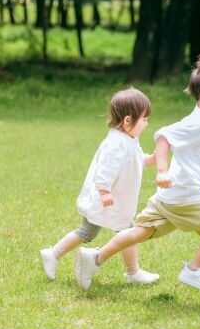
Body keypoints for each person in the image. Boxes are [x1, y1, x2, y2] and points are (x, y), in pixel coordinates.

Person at [75, 54, 200, 291]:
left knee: (141, 232)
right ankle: (194, 270)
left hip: (168, 197)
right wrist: (161, 171)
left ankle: (94, 258)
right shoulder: (197, 123)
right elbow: (164, 137)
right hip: (184, 194)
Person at [40, 88, 160, 285]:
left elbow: (137, 160)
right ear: (128, 121)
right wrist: (104, 192)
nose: (147, 124)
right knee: (88, 232)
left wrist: (151, 159)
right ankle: (53, 254)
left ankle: (133, 272)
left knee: (128, 232)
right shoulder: (116, 143)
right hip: (104, 200)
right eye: (144, 119)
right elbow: (103, 170)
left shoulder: (130, 139)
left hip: (118, 201)